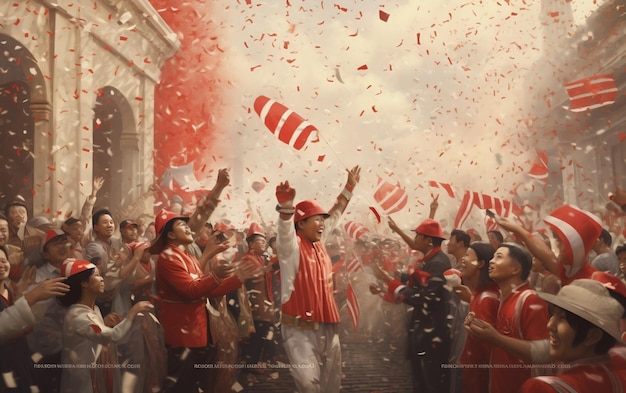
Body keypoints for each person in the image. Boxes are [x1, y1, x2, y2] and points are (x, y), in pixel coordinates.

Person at [150, 210, 261, 393]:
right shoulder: (168, 257)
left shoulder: (188, 257)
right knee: (180, 385)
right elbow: (191, 291)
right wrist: (215, 276)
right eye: (181, 225)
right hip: (182, 334)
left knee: (193, 384)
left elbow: (209, 291)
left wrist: (237, 278)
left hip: (198, 332)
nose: (187, 227)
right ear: (170, 234)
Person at [274, 165, 360, 393]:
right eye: (316, 219)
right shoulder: (290, 248)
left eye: (323, 220)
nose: (322, 223)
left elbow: (337, 212)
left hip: (328, 328)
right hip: (299, 331)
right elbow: (284, 233)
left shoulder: (320, 242)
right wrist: (285, 208)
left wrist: (349, 187)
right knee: (309, 386)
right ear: (300, 224)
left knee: (331, 385)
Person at [372, 217, 453, 393]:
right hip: (423, 331)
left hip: (432, 335)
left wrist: (389, 280)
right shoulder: (431, 259)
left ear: (428, 240)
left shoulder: (438, 263)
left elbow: (422, 299)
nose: (414, 240)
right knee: (420, 380)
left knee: (430, 383)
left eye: (418, 236)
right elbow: (416, 281)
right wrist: (391, 277)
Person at [57, 258, 152, 393]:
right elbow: (112, 336)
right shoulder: (78, 316)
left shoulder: (93, 309)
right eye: (96, 276)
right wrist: (133, 312)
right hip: (82, 378)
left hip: (94, 373)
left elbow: (96, 331)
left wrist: (104, 323)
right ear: (84, 283)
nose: (102, 279)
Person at [466, 243, 550, 393]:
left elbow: (542, 353)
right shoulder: (504, 298)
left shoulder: (530, 299)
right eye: (492, 257)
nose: (491, 261)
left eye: (498, 257)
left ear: (516, 269)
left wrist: (495, 338)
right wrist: (477, 331)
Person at [520, 279, 626, 392]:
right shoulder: (619, 380)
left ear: (593, 336)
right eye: (553, 314)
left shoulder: (544, 388)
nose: (550, 325)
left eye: (562, 318)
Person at [494, 204, 602, 286]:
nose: (556, 244)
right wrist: (514, 228)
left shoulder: (595, 281)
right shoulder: (569, 272)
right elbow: (546, 255)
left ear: (575, 245)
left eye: (560, 240)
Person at [453, 241, 498, 393]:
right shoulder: (479, 294)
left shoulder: (486, 298)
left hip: (477, 378)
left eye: (467, 255)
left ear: (480, 263)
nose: (463, 259)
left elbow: (486, 349)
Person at [241, 223, 277, 369]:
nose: (263, 244)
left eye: (264, 241)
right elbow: (254, 275)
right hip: (256, 306)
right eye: (260, 241)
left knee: (263, 336)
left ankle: (257, 362)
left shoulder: (262, 258)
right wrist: (269, 266)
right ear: (251, 244)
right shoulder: (247, 259)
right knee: (257, 337)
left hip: (266, 304)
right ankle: (252, 364)